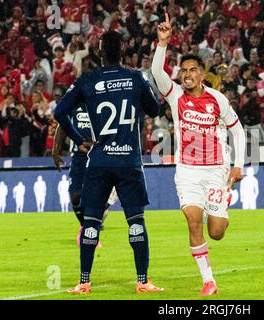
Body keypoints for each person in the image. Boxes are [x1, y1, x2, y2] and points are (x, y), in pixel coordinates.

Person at [54, 31, 162, 295]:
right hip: (128, 160)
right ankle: (142, 281)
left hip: (99, 161)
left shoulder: (88, 80)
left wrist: (79, 138)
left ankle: (84, 282)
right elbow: (155, 110)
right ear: (123, 50)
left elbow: (59, 111)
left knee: (90, 222)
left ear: (99, 52)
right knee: (136, 220)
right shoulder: (136, 77)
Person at [152, 13, 246, 296]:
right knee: (194, 221)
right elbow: (157, 73)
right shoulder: (175, 95)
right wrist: (163, 43)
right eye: (184, 71)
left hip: (216, 170)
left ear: (203, 75)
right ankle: (208, 281)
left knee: (216, 231)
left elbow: (238, 131)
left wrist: (238, 165)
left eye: (193, 70)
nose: (188, 74)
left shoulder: (217, 100)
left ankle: (222, 201)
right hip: (188, 171)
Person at [53, 103, 117, 246]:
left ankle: (90, 231)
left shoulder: (103, 102)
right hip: (79, 156)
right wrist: (55, 149)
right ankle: (85, 226)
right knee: (75, 196)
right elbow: (63, 125)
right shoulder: (75, 102)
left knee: (96, 197)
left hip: (99, 155)